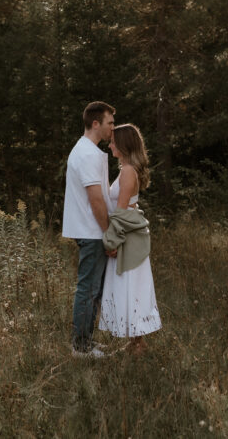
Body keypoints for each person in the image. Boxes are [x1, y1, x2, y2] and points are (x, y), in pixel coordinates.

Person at [99, 123, 161, 355]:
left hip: (127, 236)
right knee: (131, 285)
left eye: (114, 140)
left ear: (124, 145)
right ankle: (136, 342)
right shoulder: (127, 169)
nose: (110, 143)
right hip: (128, 232)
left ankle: (139, 344)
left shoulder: (127, 172)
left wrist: (111, 242)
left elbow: (122, 211)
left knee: (132, 285)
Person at [63, 101, 115, 358]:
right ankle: (81, 347)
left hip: (91, 230)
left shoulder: (87, 150)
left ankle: (86, 341)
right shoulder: (86, 154)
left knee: (93, 289)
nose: (112, 128)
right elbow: (95, 199)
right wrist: (108, 234)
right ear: (96, 124)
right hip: (92, 230)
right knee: (88, 289)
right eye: (109, 123)